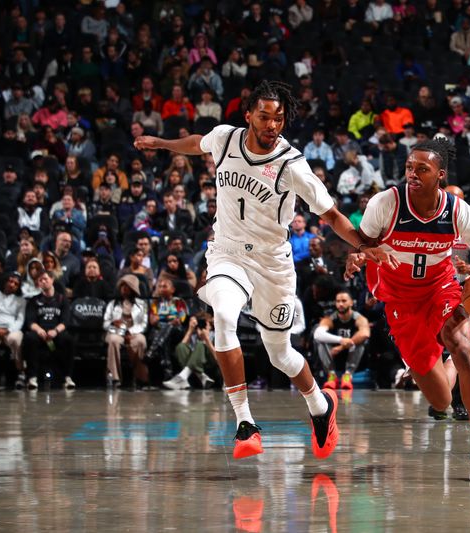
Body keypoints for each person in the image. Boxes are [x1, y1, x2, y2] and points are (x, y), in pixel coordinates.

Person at [134, 80, 391, 460]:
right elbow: (195, 142)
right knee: (223, 315)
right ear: (249, 115)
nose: (272, 125)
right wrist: (163, 144)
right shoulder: (224, 139)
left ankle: (321, 407)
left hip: (272, 264)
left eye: (279, 119)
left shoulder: (293, 165)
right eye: (265, 117)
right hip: (227, 252)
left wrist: (366, 247)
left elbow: (332, 215)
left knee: (279, 354)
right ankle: (245, 423)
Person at [344, 138, 470, 481]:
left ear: (440, 175)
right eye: (409, 167)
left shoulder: (457, 210)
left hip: (440, 287)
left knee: (460, 344)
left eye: (422, 169)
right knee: (441, 402)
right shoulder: (386, 203)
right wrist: (358, 256)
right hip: (400, 298)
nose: (412, 174)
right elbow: (363, 245)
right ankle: (456, 364)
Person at [22, 270, 75, 390]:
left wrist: (55, 331)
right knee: (30, 338)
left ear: (52, 280)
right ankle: (32, 377)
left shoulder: (62, 300)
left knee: (68, 340)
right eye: (40, 280)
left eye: (45, 279)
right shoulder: (34, 300)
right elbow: (30, 321)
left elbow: (65, 321)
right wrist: (39, 330)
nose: (43, 281)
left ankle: (67, 377)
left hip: (56, 332)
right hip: (40, 332)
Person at [313, 290, 370, 390]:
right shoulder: (330, 319)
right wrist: (341, 340)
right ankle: (332, 376)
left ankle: (348, 376)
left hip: (352, 355)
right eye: (338, 301)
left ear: (351, 302)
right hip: (333, 356)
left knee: (361, 340)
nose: (340, 304)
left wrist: (342, 346)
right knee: (320, 341)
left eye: (344, 301)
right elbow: (317, 334)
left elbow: (365, 333)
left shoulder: (359, 318)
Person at [104, 275, 148, 387]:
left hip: (134, 333)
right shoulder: (112, 304)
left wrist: (130, 331)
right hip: (116, 332)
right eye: (122, 286)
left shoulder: (141, 305)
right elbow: (105, 324)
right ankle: (114, 378)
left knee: (141, 341)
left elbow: (144, 324)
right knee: (113, 340)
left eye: (127, 286)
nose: (124, 288)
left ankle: (138, 377)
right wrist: (114, 324)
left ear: (133, 288)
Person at [163, 313, 216, 390]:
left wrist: (207, 340)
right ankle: (202, 377)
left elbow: (219, 359)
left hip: (209, 366)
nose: (201, 327)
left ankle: (182, 376)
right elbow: (181, 348)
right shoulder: (193, 336)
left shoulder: (214, 335)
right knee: (181, 347)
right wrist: (190, 330)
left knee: (200, 344)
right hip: (194, 370)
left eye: (204, 324)